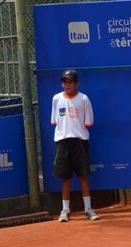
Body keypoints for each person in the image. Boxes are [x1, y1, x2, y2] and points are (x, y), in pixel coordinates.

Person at [51, 69, 100, 222]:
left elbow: (88, 123)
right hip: (63, 142)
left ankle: (88, 209)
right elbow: (55, 121)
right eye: (64, 82)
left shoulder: (84, 99)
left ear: (76, 83)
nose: (66, 85)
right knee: (66, 178)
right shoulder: (56, 99)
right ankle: (65, 210)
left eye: (70, 82)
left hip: (80, 142)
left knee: (83, 176)